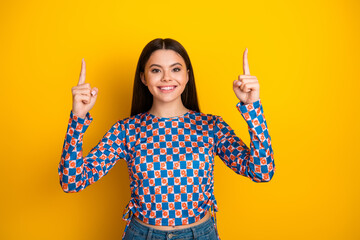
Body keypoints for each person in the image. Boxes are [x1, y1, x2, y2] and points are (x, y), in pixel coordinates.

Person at [58, 38, 275, 240]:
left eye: (176, 69)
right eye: (155, 70)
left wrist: (252, 107)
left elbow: (261, 172)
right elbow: (72, 182)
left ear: (187, 75)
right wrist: (78, 118)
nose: (166, 78)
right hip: (141, 234)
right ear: (143, 77)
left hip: (200, 234)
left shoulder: (211, 126)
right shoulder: (126, 130)